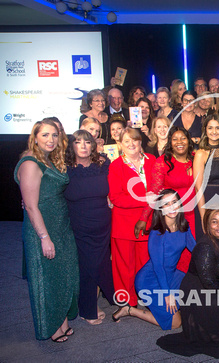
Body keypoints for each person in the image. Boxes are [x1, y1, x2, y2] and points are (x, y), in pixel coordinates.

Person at [156, 209, 219, 358]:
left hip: (214, 285)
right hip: (198, 292)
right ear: (207, 225)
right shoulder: (205, 247)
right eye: (214, 221)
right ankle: (210, 329)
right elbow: (209, 283)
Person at [15, 119, 79, 342]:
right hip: (42, 229)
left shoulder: (50, 159)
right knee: (48, 278)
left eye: (54, 135)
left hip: (61, 224)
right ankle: (51, 326)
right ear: (35, 137)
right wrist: (44, 237)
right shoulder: (31, 163)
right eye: (44, 135)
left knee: (64, 273)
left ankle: (61, 320)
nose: (50, 139)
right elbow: (31, 206)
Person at [114, 189, 196, 329]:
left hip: (172, 274)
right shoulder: (157, 233)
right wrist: (167, 294)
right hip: (150, 280)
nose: (171, 207)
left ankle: (165, 307)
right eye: (166, 204)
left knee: (194, 283)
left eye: (174, 202)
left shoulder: (184, 225)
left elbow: (196, 250)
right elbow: (158, 268)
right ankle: (131, 310)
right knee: (176, 323)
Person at [63, 130, 115, 325]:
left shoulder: (103, 164)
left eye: (87, 142)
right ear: (72, 146)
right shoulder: (64, 168)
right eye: (78, 142)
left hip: (103, 223)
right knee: (88, 265)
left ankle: (105, 298)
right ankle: (89, 307)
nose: (83, 146)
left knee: (100, 261)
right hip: (80, 224)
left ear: (93, 145)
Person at [108, 128, 155, 307]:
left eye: (134, 140)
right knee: (124, 266)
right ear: (120, 144)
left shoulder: (152, 161)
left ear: (140, 141)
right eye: (126, 141)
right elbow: (116, 198)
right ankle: (126, 301)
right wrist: (144, 198)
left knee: (145, 263)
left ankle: (144, 297)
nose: (131, 144)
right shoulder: (116, 165)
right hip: (124, 223)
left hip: (148, 221)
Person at [142, 126, 195, 273]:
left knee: (195, 254)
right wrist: (143, 217)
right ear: (170, 142)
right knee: (175, 260)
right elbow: (154, 193)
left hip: (194, 215)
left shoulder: (196, 158)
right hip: (173, 217)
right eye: (175, 139)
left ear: (189, 140)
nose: (179, 142)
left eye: (183, 138)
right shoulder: (163, 162)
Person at [193, 114, 219, 237]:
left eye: (218, 128)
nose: (214, 132)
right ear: (205, 130)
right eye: (210, 128)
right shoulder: (200, 154)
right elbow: (198, 189)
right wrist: (204, 217)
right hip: (206, 201)